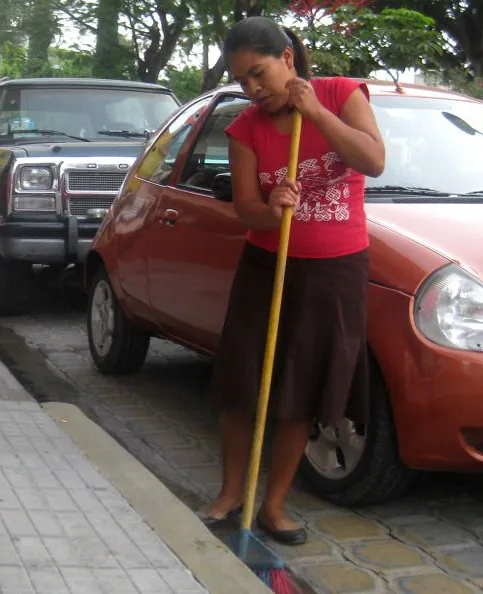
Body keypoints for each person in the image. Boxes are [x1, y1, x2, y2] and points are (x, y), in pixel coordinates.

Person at [198, 17, 385, 546]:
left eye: (259, 73)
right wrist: (270, 206)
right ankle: (231, 493)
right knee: (242, 386)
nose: (253, 89)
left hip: (336, 269)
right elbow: (246, 209)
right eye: (242, 82)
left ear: (286, 58)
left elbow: (372, 160)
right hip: (266, 265)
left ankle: (274, 505)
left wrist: (316, 113)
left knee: (300, 392)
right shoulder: (246, 127)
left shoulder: (341, 94)